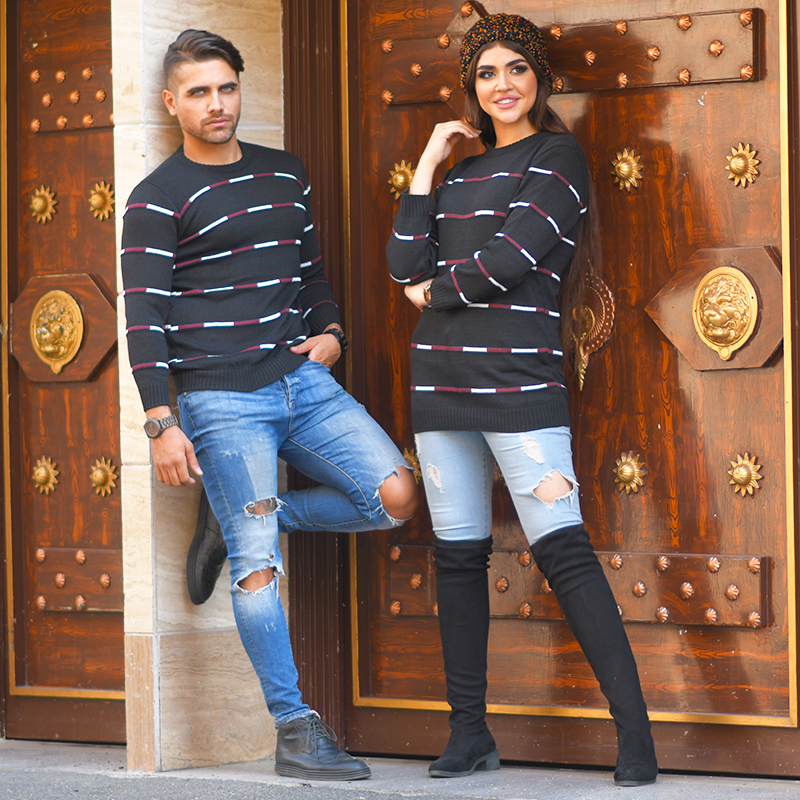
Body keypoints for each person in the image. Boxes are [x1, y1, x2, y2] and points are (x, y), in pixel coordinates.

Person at [122, 29, 418, 781]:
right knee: (258, 568)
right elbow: (143, 319)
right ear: (171, 103)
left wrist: (331, 333)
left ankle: (242, 517)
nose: (216, 104)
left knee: (394, 496)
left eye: (225, 87)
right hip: (220, 398)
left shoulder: (286, 173)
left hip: (301, 379)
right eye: (198, 92)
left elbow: (310, 271)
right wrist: (161, 421)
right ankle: (294, 729)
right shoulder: (156, 199)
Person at [386, 13, 658, 787]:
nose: (501, 85)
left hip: (519, 383)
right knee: (457, 558)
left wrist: (435, 292)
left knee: (562, 550)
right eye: (485, 74)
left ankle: (635, 735)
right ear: (470, 88)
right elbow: (401, 260)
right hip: (439, 384)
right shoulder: (458, 173)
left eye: (515, 69)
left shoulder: (557, 157)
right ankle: (468, 734)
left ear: (539, 77)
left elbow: (511, 258)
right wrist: (427, 163)